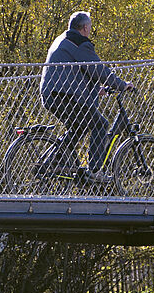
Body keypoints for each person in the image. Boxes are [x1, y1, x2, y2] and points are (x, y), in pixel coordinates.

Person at [40, 11, 134, 177]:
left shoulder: (62, 40)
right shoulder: (79, 42)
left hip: (52, 94)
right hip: (64, 96)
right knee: (100, 124)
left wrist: (96, 89)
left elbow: (74, 73)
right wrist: (122, 85)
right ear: (84, 27)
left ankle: (56, 161)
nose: (90, 30)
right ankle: (95, 170)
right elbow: (98, 69)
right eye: (90, 27)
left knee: (79, 126)